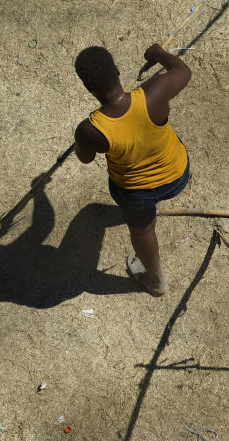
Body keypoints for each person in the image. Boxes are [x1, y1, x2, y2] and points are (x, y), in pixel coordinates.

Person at [73, 43, 192, 296]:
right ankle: (155, 206)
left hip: (137, 193)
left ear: (88, 87)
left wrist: (80, 141)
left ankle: (156, 282)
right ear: (117, 70)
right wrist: (158, 54)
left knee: (143, 230)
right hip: (178, 174)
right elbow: (183, 70)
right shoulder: (154, 91)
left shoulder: (90, 129)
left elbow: (84, 158)